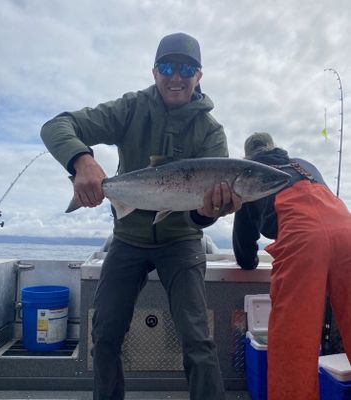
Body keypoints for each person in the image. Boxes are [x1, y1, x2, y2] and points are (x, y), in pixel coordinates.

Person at [41, 32, 241, 400]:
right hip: (129, 238)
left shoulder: (211, 132)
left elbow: (202, 219)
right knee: (103, 334)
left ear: (199, 75)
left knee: (198, 340)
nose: (175, 76)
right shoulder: (131, 108)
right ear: (153, 71)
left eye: (185, 68)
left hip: (181, 240)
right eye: (167, 67)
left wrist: (207, 215)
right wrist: (82, 161)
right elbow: (56, 126)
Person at [232, 132, 351, 400]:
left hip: (303, 240)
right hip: (347, 231)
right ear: (275, 148)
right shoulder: (305, 165)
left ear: (248, 157)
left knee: (293, 347)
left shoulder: (248, 177)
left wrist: (250, 262)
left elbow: (244, 249)